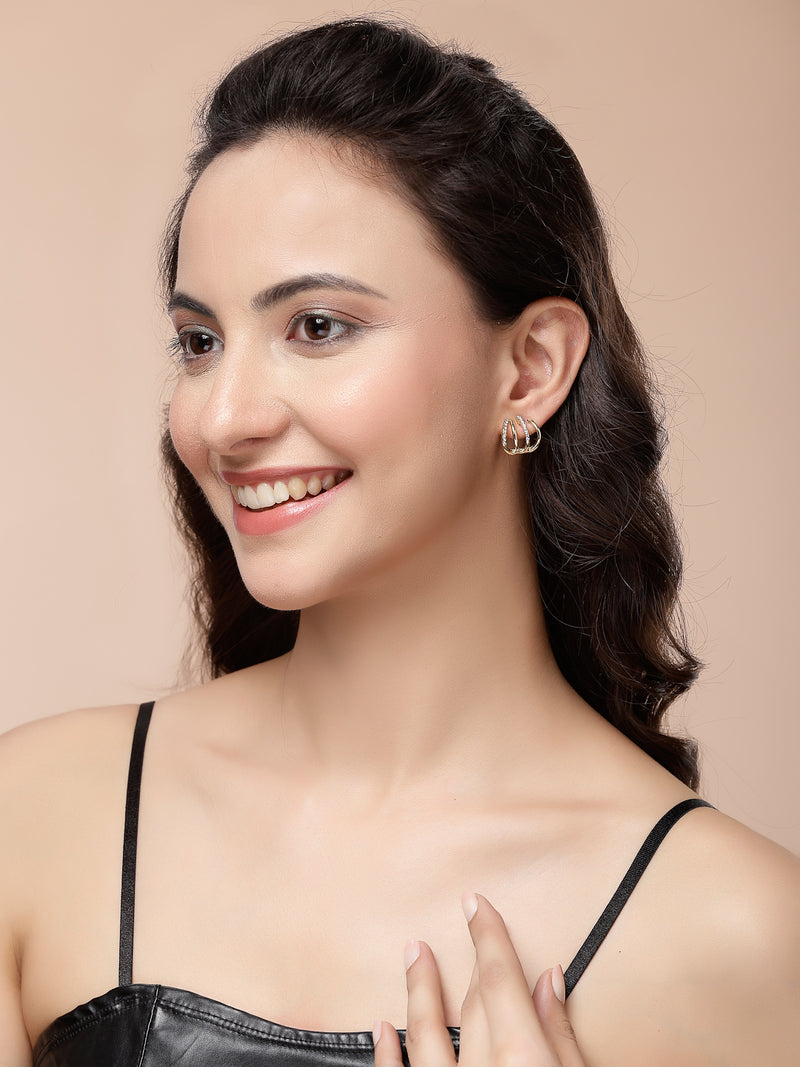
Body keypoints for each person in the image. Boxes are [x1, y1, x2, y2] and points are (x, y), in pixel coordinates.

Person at [1, 16, 798, 1067]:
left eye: (317, 326)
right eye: (200, 341)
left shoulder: (744, 939)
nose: (223, 417)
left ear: (529, 368)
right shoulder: (34, 815)